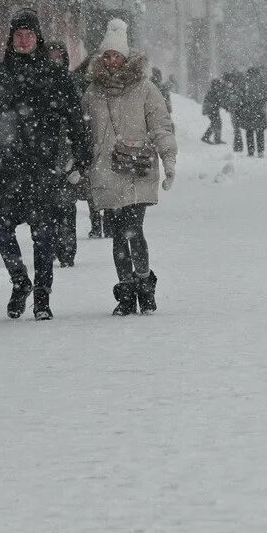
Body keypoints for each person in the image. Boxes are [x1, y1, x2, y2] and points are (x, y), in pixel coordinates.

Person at [0, 8, 92, 320]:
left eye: (29, 34)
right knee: (3, 231)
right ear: (11, 38)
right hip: (5, 168)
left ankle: (43, 296)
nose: (23, 39)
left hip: (42, 168)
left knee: (44, 234)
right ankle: (20, 282)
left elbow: (75, 118)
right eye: (18, 34)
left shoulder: (55, 74)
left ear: (38, 38)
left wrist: (82, 156)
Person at [83, 18, 177, 315]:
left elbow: (161, 125)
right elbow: (81, 132)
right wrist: (77, 162)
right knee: (117, 232)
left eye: (117, 56)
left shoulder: (145, 88)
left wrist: (169, 158)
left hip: (137, 168)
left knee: (132, 228)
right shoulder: (92, 93)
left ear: (126, 57)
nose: (112, 62)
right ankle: (126, 293)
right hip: (106, 171)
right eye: (107, 56)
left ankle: (144, 285)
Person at [47, 42, 84, 268]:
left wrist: (79, 159)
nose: (54, 60)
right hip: (44, 155)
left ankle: (67, 250)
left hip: (66, 153)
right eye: (50, 56)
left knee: (66, 206)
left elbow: (80, 123)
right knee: (47, 207)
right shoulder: (38, 83)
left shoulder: (71, 83)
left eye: (58, 56)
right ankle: (49, 246)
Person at [72, 53, 108, 240]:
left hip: (97, 135)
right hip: (87, 135)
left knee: (99, 182)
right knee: (92, 182)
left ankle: (102, 222)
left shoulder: (99, 82)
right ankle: (99, 223)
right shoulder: (81, 82)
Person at [238, 65, 267, 158]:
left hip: (248, 110)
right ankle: (260, 151)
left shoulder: (244, 83)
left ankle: (251, 151)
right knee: (259, 131)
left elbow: (240, 97)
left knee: (249, 131)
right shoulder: (262, 83)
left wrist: (242, 106)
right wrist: (263, 99)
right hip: (260, 110)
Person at [200, 73, 226, 144]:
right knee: (216, 123)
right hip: (211, 109)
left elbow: (217, 101)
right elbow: (216, 100)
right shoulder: (213, 91)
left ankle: (215, 138)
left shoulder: (213, 90)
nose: (219, 85)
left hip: (212, 109)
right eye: (218, 84)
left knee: (216, 123)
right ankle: (207, 137)